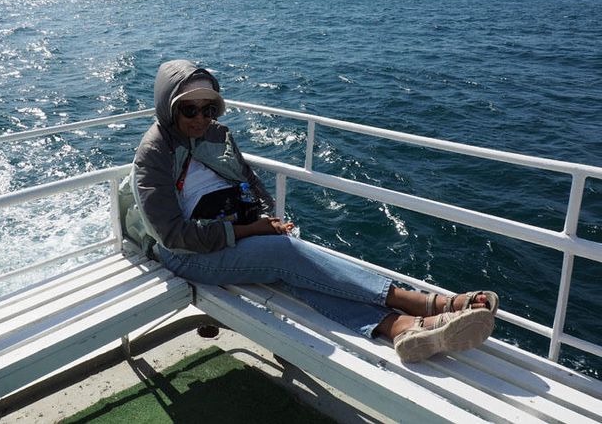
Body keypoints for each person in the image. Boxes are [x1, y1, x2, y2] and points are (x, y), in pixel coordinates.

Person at [126, 59, 499, 363]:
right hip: (186, 255)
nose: (201, 118)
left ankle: (399, 327)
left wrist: (263, 219)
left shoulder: (216, 135)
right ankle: (421, 301)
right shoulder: (154, 153)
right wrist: (251, 232)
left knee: (292, 264)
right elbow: (173, 236)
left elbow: (248, 182)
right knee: (287, 256)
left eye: (209, 108)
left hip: (231, 234)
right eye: (189, 108)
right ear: (168, 105)